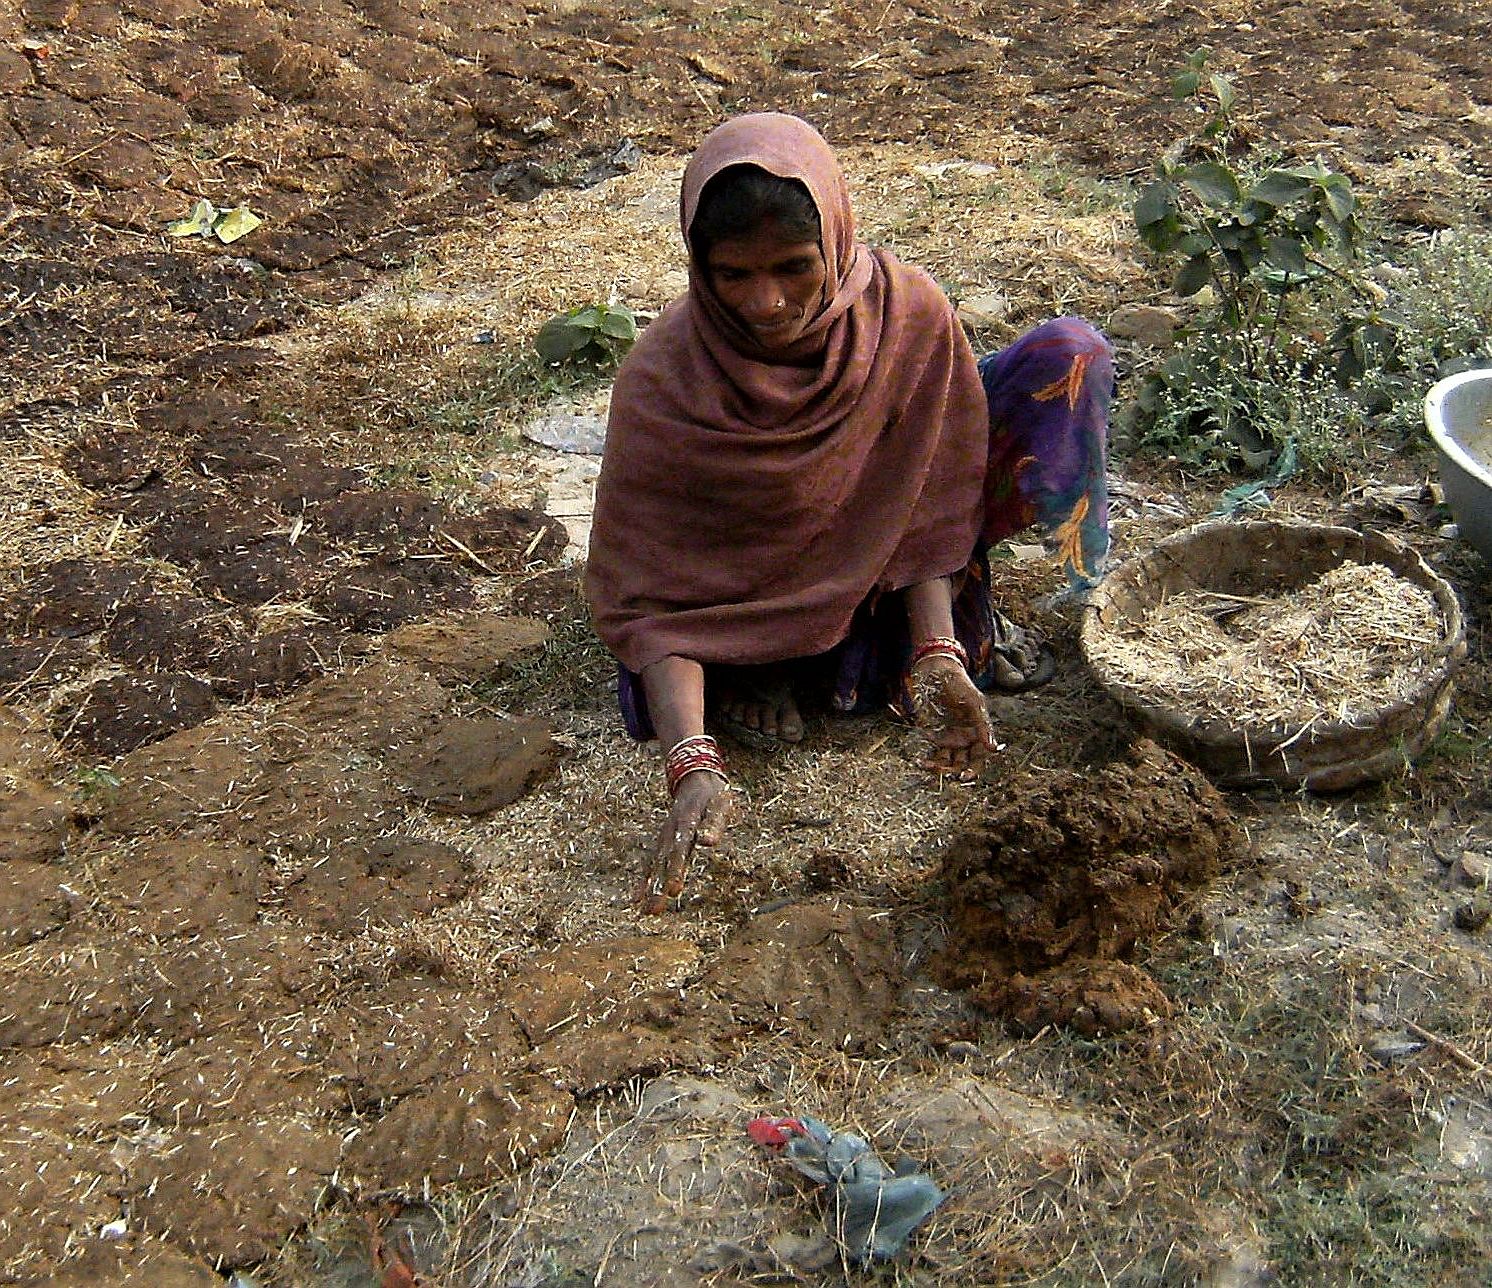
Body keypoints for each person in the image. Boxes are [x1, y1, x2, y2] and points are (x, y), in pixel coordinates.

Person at [585, 113, 1112, 912]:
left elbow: (927, 501)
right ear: (699, 265)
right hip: (739, 608)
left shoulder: (906, 317)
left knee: (1070, 354)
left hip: (880, 582)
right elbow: (651, 598)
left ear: (833, 241)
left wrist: (937, 653)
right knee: (694, 679)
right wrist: (691, 762)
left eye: (795, 267)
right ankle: (780, 663)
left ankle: (912, 641)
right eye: (733, 275)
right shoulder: (663, 380)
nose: (767, 303)